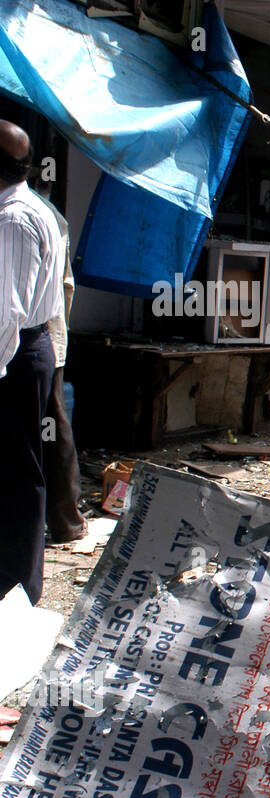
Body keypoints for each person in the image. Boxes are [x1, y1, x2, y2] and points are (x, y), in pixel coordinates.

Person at [0, 121, 64, 604]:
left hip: (15, 353)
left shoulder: (14, 220)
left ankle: (17, 586)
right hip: (27, 347)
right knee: (20, 468)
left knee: (18, 473)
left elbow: (7, 312)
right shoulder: (30, 208)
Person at [32, 176, 85, 543]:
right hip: (47, 335)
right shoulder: (50, 214)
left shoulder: (32, 214)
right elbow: (67, 287)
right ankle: (66, 520)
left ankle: (65, 520)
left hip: (37, 335)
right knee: (50, 426)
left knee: (50, 427)